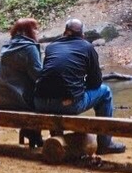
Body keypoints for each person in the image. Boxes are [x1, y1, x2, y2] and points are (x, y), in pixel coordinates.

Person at [33, 18, 126, 155]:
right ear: (82, 35)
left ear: (64, 32)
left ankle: (56, 136)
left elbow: (50, 75)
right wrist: (80, 87)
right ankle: (105, 144)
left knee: (55, 89)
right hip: (67, 104)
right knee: (105, 91)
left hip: (40, 102)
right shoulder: (87, 47)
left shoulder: (52, 47)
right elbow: (96, 82)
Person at [0, 18, 44, 147]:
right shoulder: (29, 48)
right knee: (44, 98)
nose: (38, 31)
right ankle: (35, 133)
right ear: (26, 31)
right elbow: (38, 76)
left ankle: (32, 133)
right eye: (35, 29)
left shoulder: (8, 46)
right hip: (14, 101)